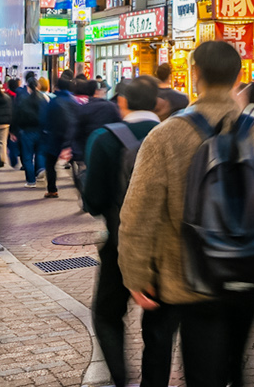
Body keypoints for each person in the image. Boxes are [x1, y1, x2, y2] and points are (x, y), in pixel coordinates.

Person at [118, 41, 254, 387]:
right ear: (239, 76)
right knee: (236, 366)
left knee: (204, 372)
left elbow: (139, 213)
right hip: (250, 268)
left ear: (195, 74)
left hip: (190, 275)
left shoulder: (166, 135)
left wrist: (135, 273)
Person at [84, 75, 172, 387]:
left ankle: (120, 378)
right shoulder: (172, 133)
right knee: (160, 323)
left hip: (119, 244)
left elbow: (92, 201)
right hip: (166, 246)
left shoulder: (105, 138)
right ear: (158, 103)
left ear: (122, 102)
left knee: (107, 315)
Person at [41, 75, 80, 199]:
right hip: (71, 138)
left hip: (54, 137)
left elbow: (46, 118)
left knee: (50, 164)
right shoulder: (74, 101)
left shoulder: (53, 101)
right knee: (76, 167)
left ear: (57, 87)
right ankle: (81, 192)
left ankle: (52, 190)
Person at [13, 70, 49, 187]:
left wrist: (14, 131)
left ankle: (31, 181)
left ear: (27, 86)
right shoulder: (43, 99)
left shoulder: (23, 100)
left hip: (26, 131)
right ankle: (40, 169)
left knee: (27, 156)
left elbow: (16, 115)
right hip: (41, 130)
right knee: (40, 153)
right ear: (37, 86)